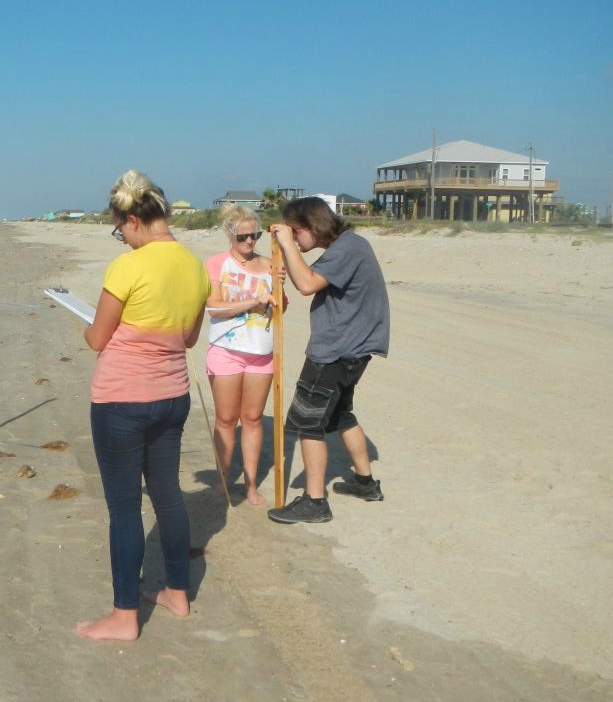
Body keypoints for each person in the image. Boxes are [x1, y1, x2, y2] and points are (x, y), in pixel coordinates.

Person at [76, 170, 210, 641]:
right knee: (168, 495)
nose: (122, 238)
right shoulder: (195, 266)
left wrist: (91, 330)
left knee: (124, 507)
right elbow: (189, 337)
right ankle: (177, 591)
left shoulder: (129, 267)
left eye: (119, 230)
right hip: (172, 396)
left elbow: (97, 338)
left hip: (123, 400)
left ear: (132, 219)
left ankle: (124, 616)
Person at [267, 197, 389, 524]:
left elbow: (306, 284)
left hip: (336, 350)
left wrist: (285, 245)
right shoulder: (349, 246)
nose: (294, 238)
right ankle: (365, 483)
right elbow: (307, 278)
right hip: (354, 349)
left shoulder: (347, 249)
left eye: (296, 232)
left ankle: (314, 501)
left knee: (308, 422)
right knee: (339, 414)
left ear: (311, 226)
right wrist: (290, 254)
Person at [204, 205, 285, 506]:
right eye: (243, 237)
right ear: (229, 234)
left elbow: (282, 309)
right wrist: (252, 302)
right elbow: (214, 307)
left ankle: (251, 484)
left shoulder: (270, 265)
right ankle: (223, 478)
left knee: (252, 419)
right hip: (226, 350)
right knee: (226, 418)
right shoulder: (216, 264)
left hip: (261, 353)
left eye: (255, 235)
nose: (250, 242)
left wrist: (280, 291)